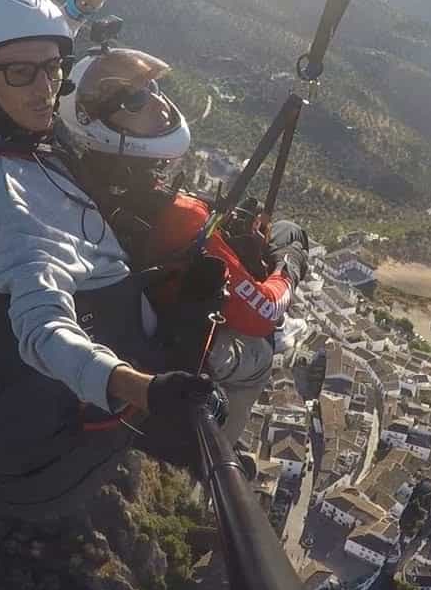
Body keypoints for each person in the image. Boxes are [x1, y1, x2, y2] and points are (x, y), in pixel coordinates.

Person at [0, 0, 221, 515]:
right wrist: (144, 390)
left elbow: (26, 51)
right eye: (22, 74)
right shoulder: (10, 192)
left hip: (11, 411)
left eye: (54, 68)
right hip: (86, 408)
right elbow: (40, 327)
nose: (46, 90)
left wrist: (84, 2)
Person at [54, 46, 310, 436]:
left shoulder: (70, 177)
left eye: (153, 87)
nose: (157, 102)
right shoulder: (180, 216)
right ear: (99, 124)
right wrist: (289, 264)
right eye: (136, 98)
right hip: (165, 337)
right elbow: (263, 311)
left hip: (125, 311)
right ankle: (209, 448)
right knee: (258, 354)